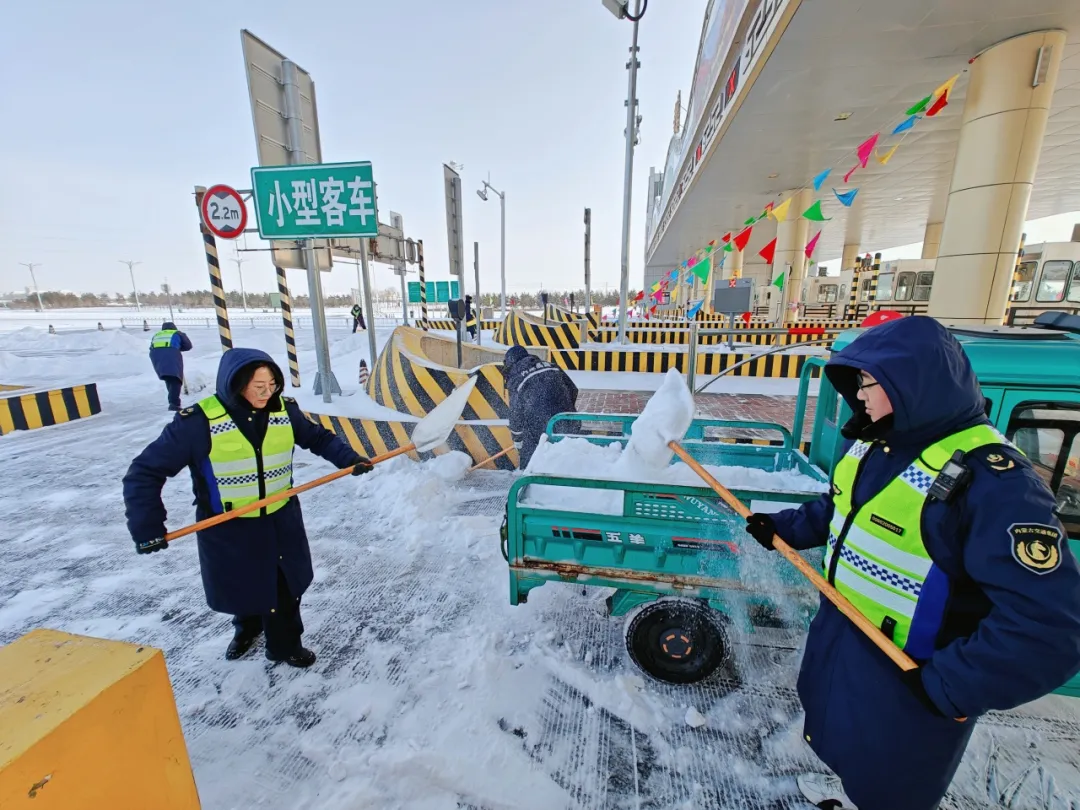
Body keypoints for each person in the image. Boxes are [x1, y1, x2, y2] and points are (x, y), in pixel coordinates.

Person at [743, 316, 1080, 810]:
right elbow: (842, 510)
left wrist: (952, 686)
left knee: (892, 784)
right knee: (846, 751)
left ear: (912, 384)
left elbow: (1051, 627)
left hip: (910, 681)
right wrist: (784, 528)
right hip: (848, 645)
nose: (858, 396)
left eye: (868, 382)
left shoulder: (993, 483)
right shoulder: (878, 444)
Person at [123, 348, 373, 668]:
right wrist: (147, 528)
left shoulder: (284, 410)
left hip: (280, 519)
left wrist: (349, 459)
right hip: (229, 526)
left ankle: (284, 646)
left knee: (283, 588)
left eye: (272, 385)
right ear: (235, 384)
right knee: (244, 585)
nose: (267, 393)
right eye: (259, 387)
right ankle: (247, 630)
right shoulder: (198, 423)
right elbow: (144, 472)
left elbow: (318, 438)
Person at [502, 345, 579, 468]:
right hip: (567, 421)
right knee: (567, 459)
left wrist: (517, 440)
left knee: (529, 455)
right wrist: (566, 410)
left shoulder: (516, 377)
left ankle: (528, 480)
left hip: (540, 427)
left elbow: (516, 412)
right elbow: (573, 389)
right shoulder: (552, 366)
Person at [149, 321, 192, 412]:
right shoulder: (177, 333)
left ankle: (173, 401)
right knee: (176, 379)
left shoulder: (157, 335)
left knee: (168, 377)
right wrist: (177, 347)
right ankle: (174, 404)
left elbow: (152, 347)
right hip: (171, 354)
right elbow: (188, 346)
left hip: (155, 356)